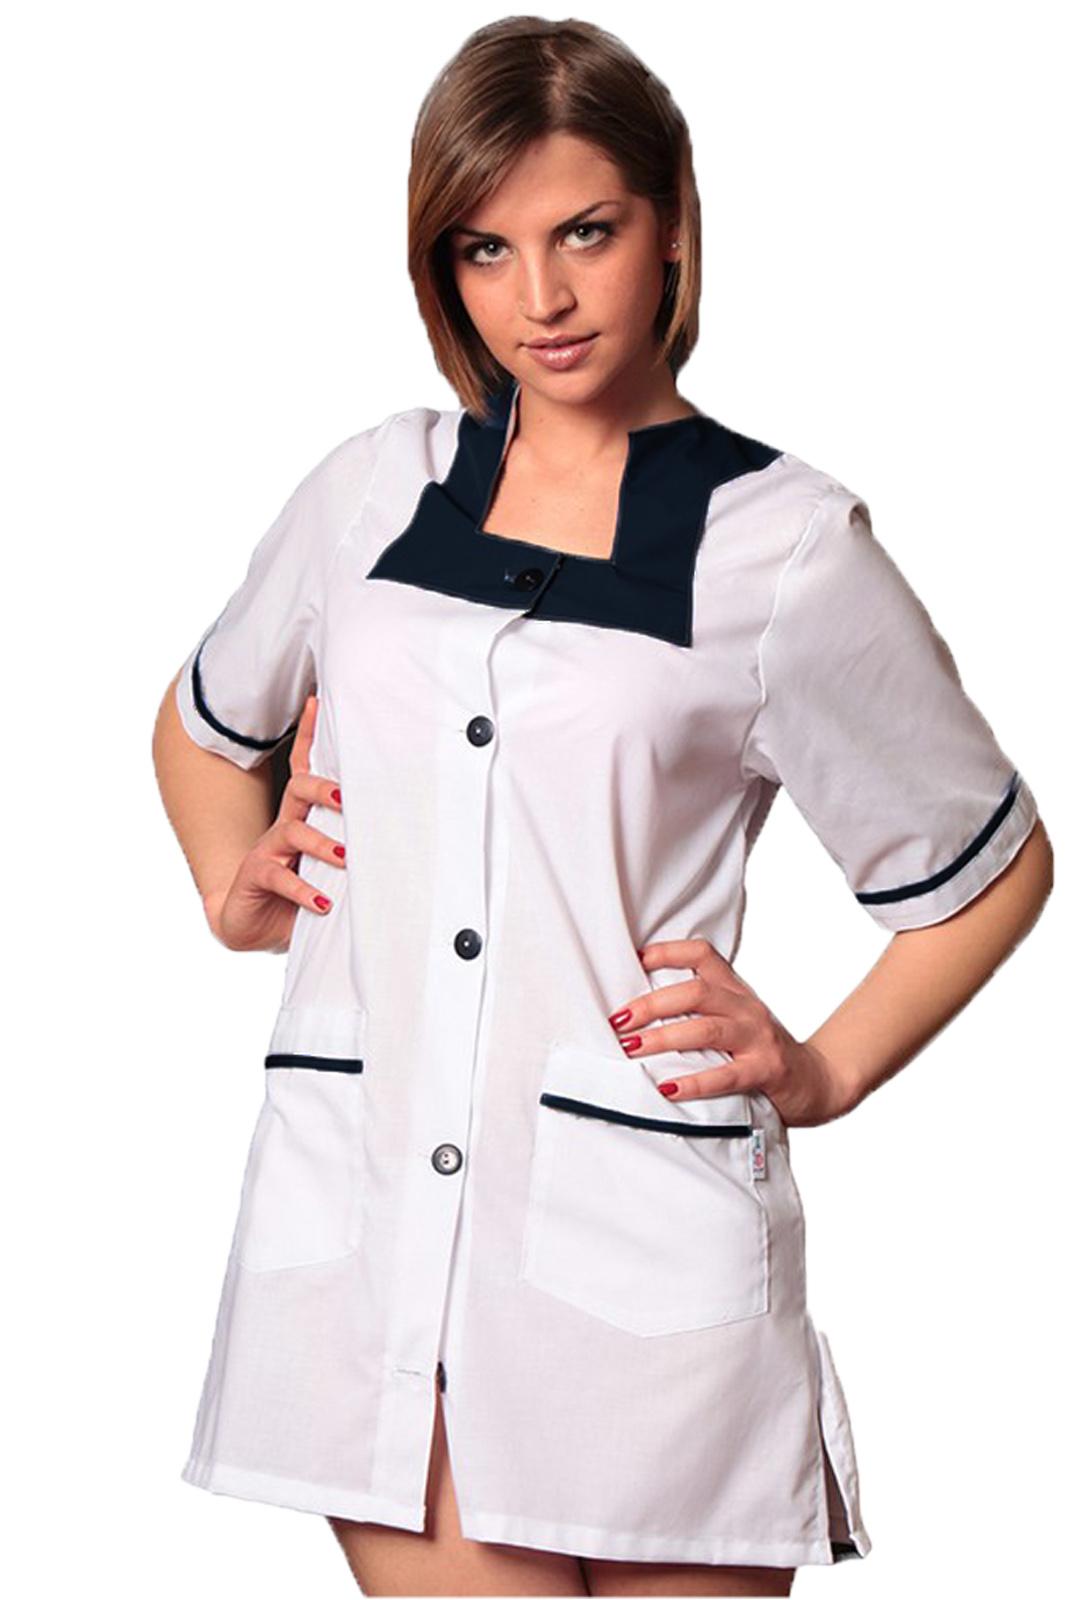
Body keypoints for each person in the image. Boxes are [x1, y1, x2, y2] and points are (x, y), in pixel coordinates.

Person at [152, 16, 1053, 1599]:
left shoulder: (785, 548)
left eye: (586, 232)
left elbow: (988, 864)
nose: (541, 299)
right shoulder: (375, 490)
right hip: (375, 1241)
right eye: (486, 249)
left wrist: (827, 1068)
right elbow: (203, 724)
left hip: (649, 1266)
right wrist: (240, 884)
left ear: (672, 225)